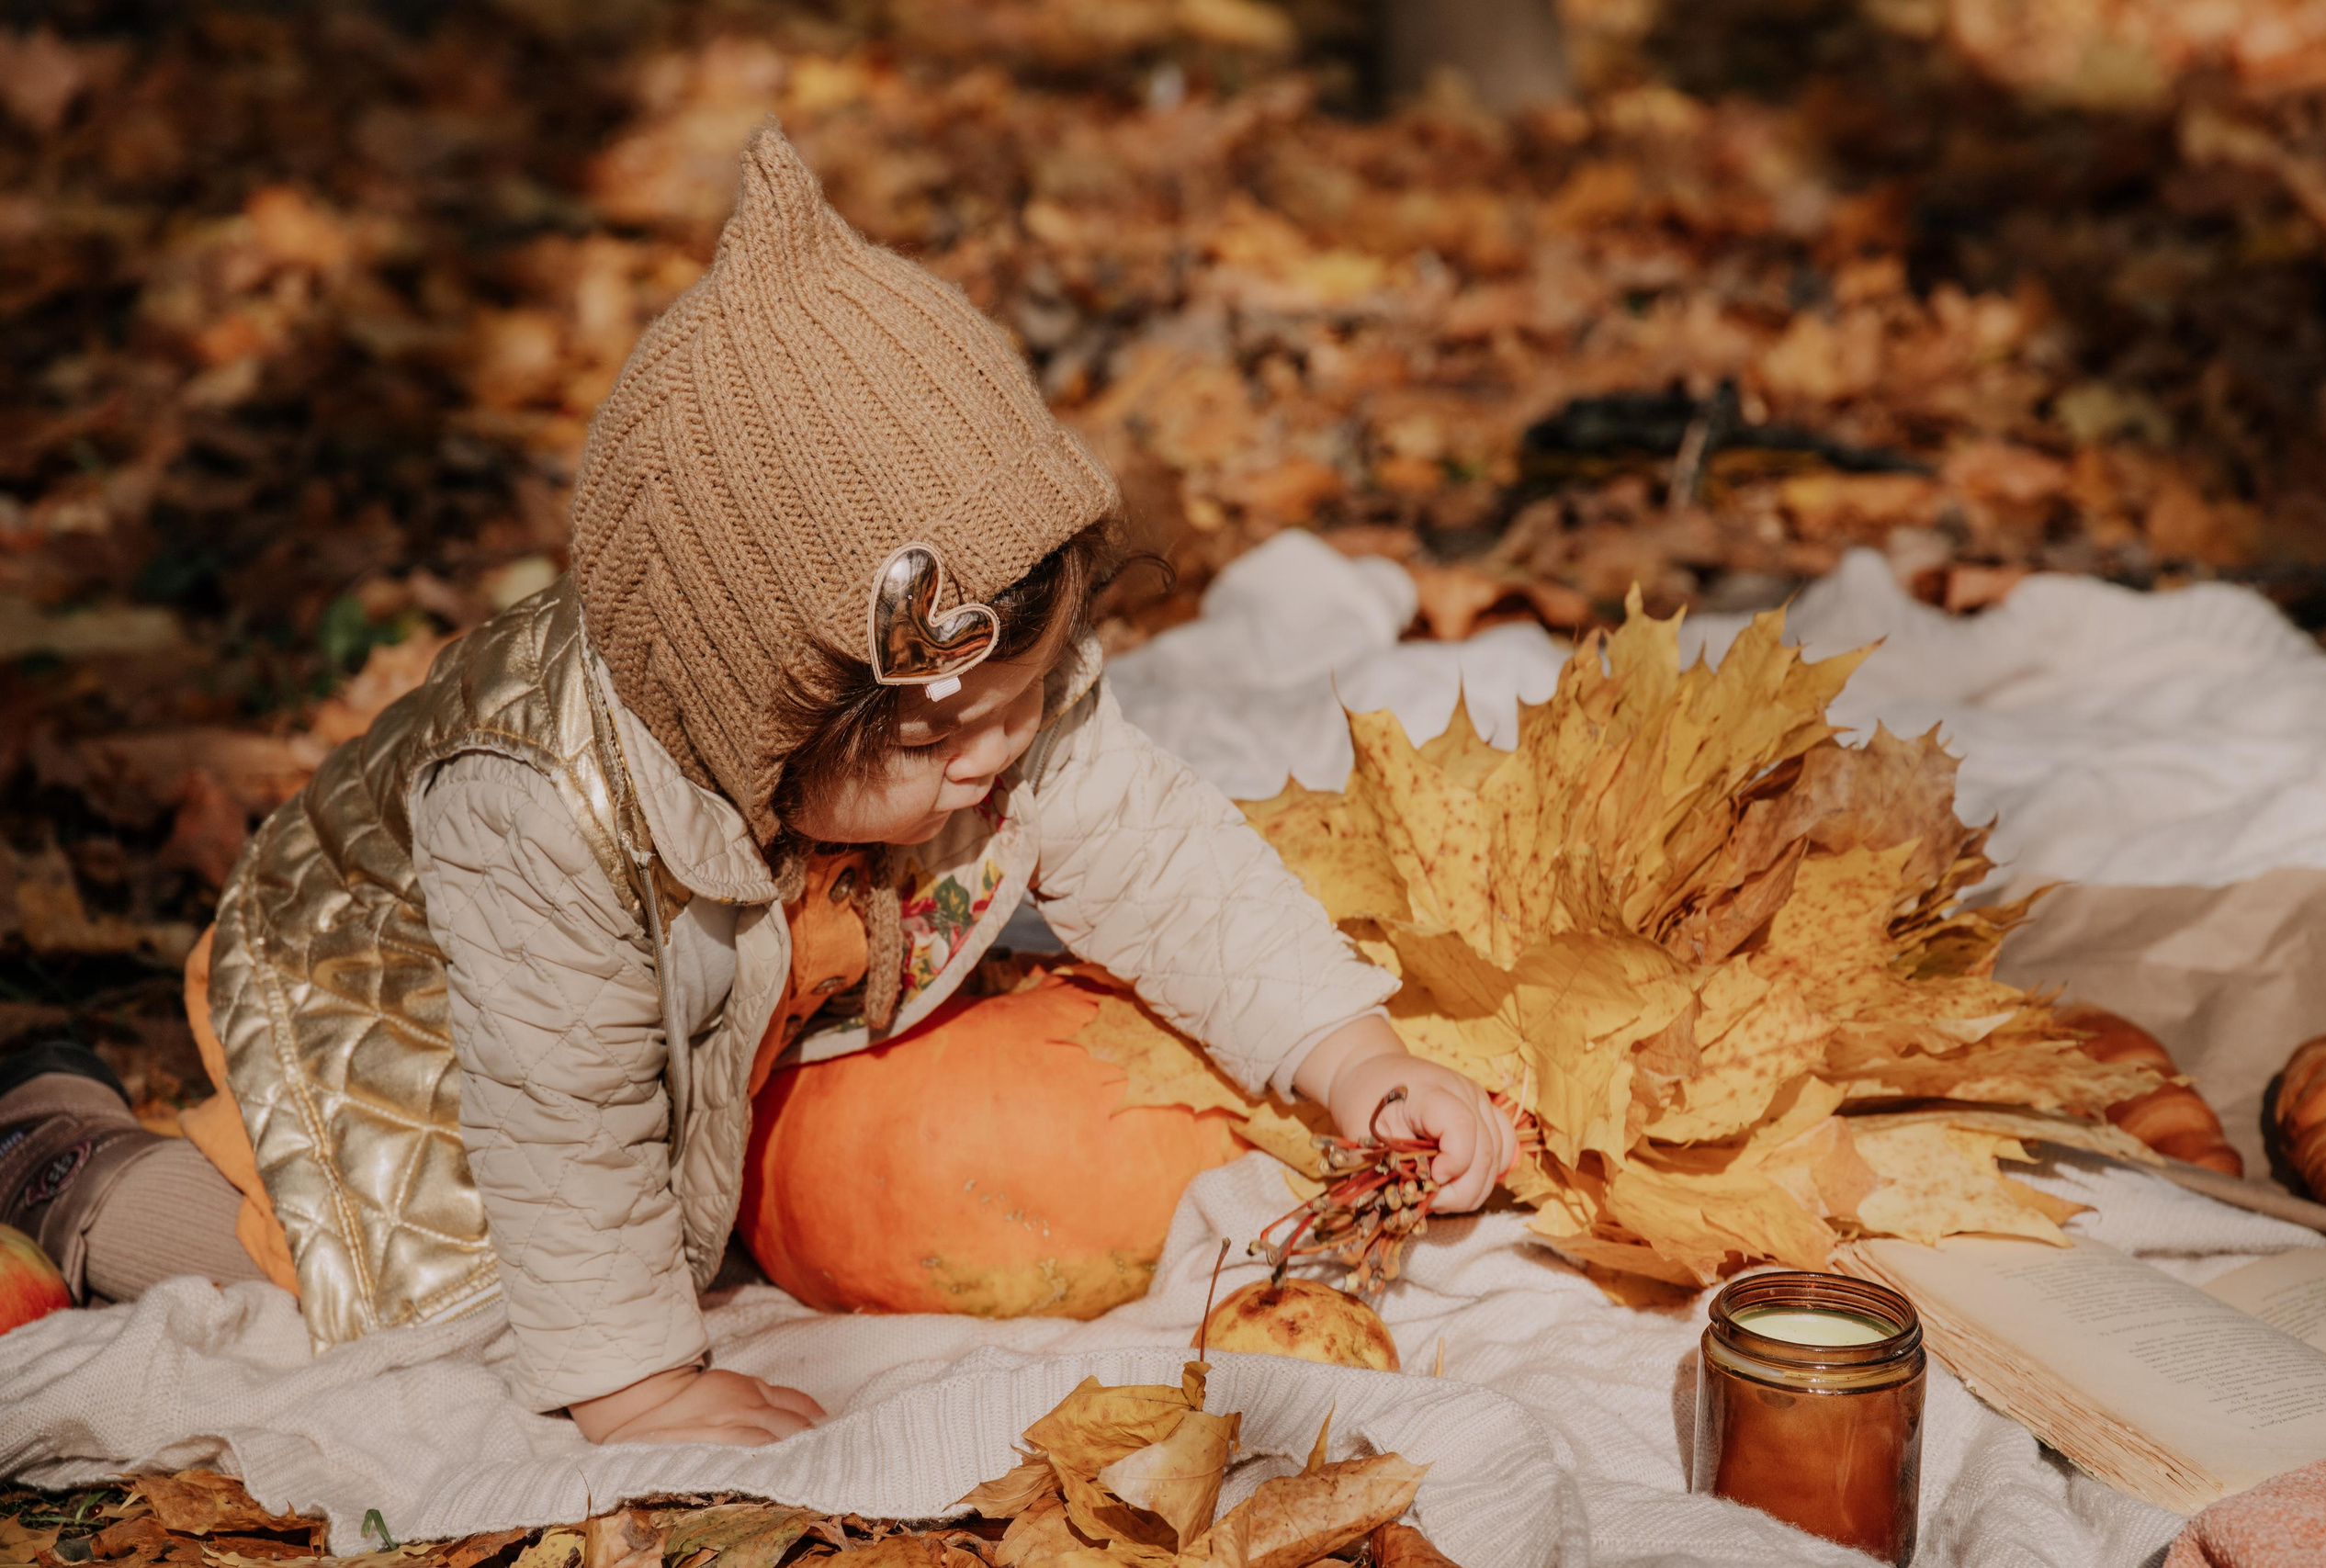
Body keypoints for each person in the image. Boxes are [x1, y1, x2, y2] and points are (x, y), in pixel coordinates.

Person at [0, 127, 1518, 1447]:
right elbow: (567, 1108)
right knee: (326, 1271)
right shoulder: (541, 811)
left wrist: (1348, 1054)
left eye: (1022, 707)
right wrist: (639, 1382)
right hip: (440, 1018)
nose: (994, 761)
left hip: (699, 966)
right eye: (935, 743)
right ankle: (59, 1148)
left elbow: (1161, 854)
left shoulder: (971, 714)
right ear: (764, 721)